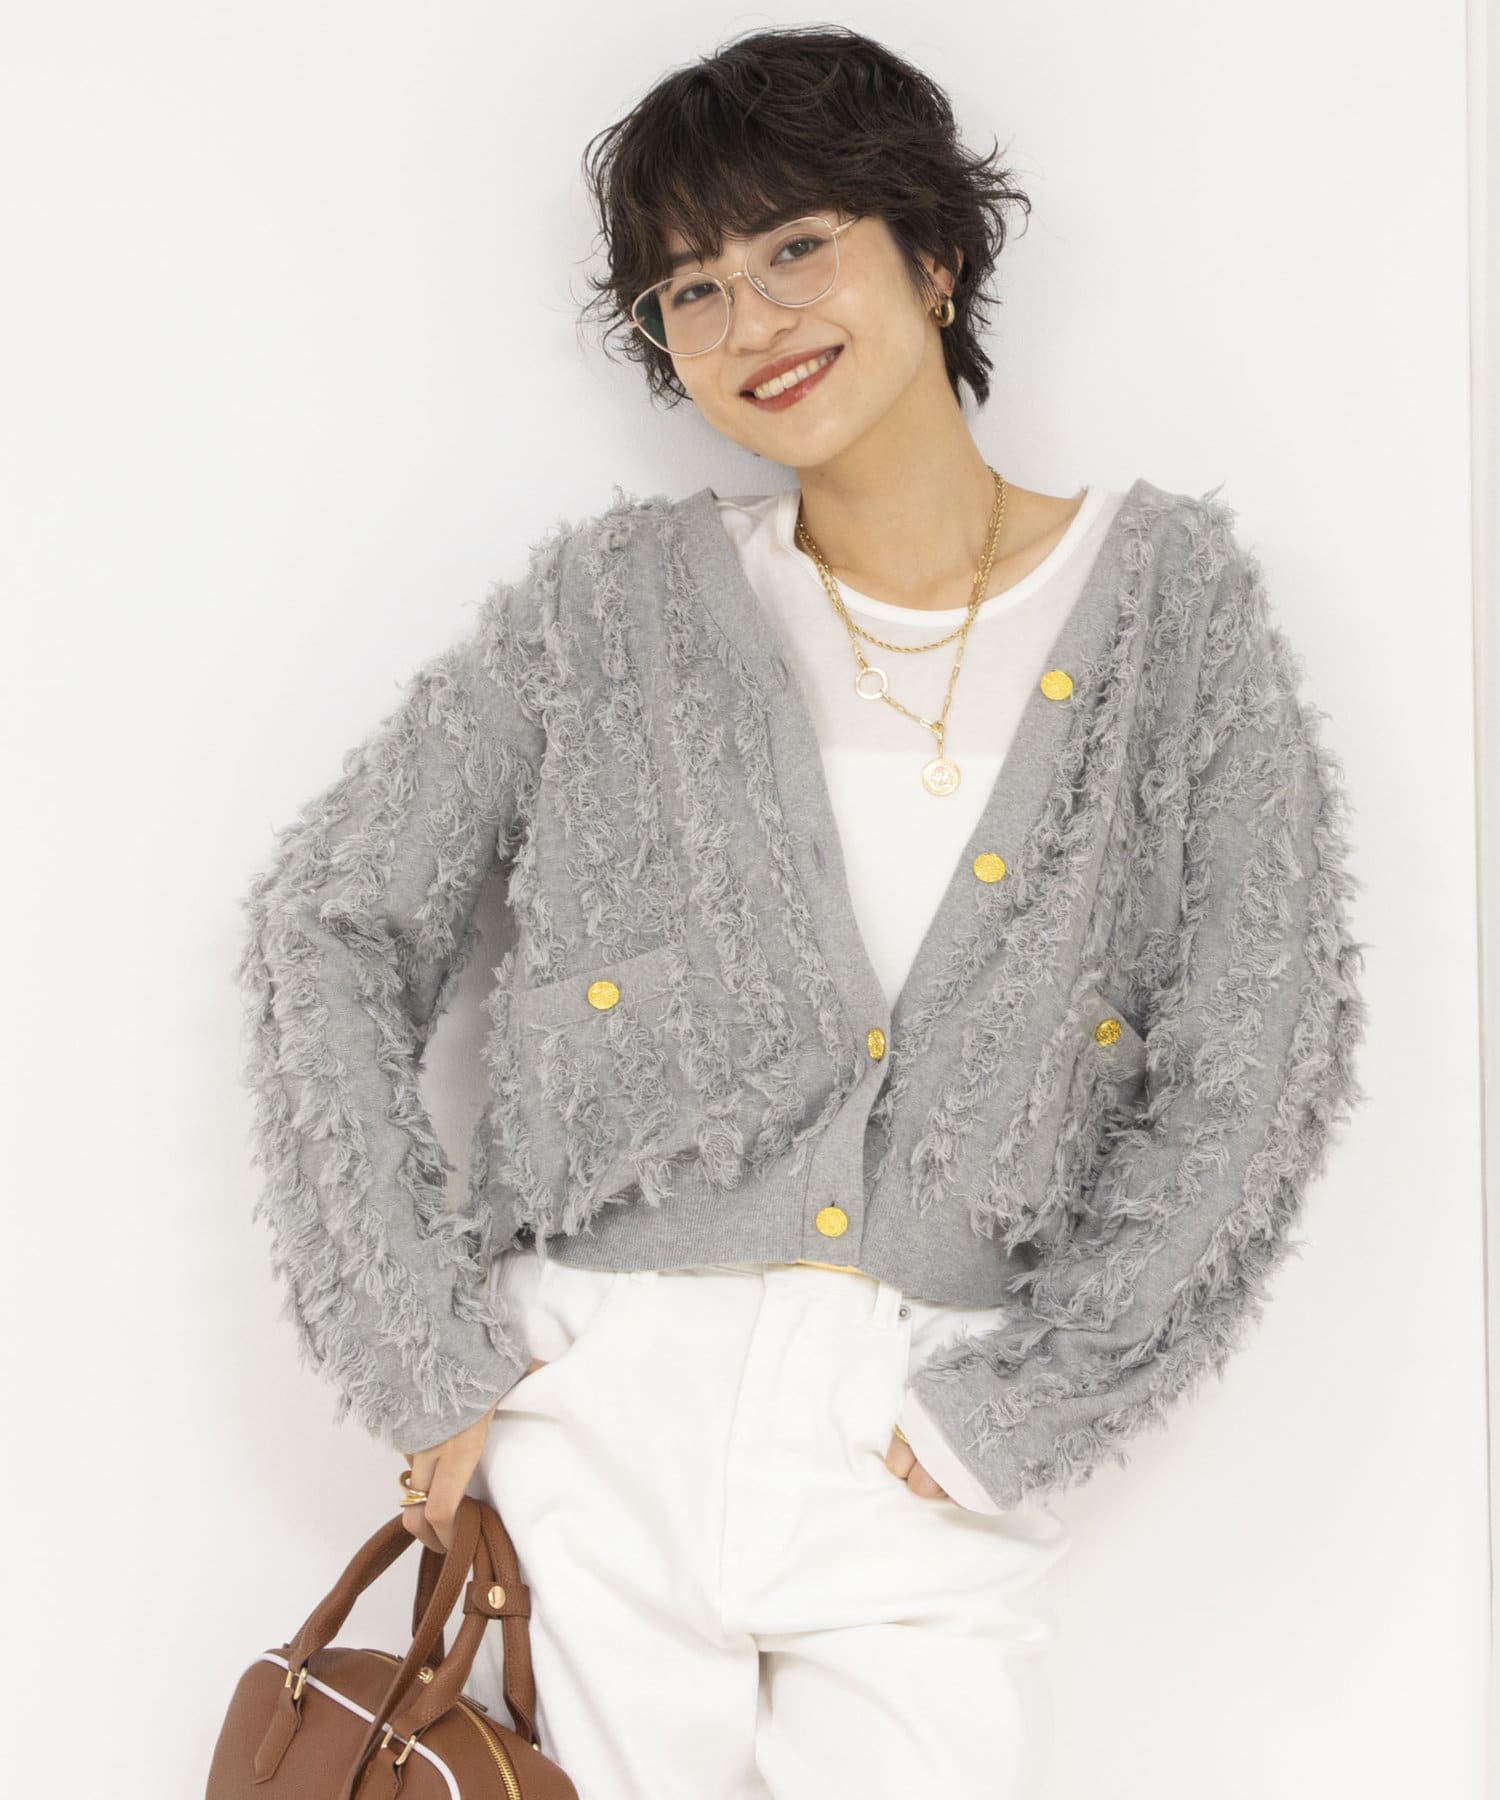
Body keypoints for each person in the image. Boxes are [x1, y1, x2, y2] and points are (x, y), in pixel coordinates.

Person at [234, 24, 1369, 1800]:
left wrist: (1024, 1409)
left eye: (796, 247)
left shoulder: (1171, 616)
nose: (749, 320)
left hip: (921, 1430)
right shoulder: (608, 610)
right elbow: (329, 919)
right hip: (602, 1399)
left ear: (937, 253)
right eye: (689, 288)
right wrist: (424, 1353)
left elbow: (1265, 1051)